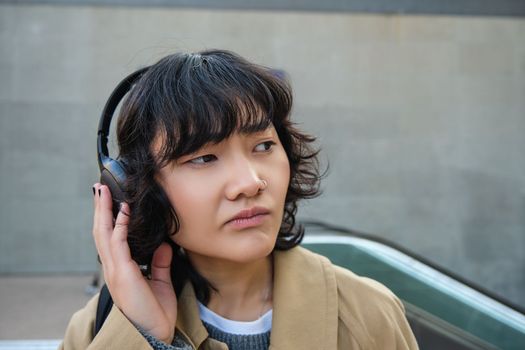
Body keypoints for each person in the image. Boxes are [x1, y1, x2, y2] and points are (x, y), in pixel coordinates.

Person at [60, 49, 418, 349]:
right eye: (203, 158)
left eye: (263, 146)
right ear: (138, 189)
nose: (250, 183)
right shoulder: (95, 329)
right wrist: (146, 338)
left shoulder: (369, 316)